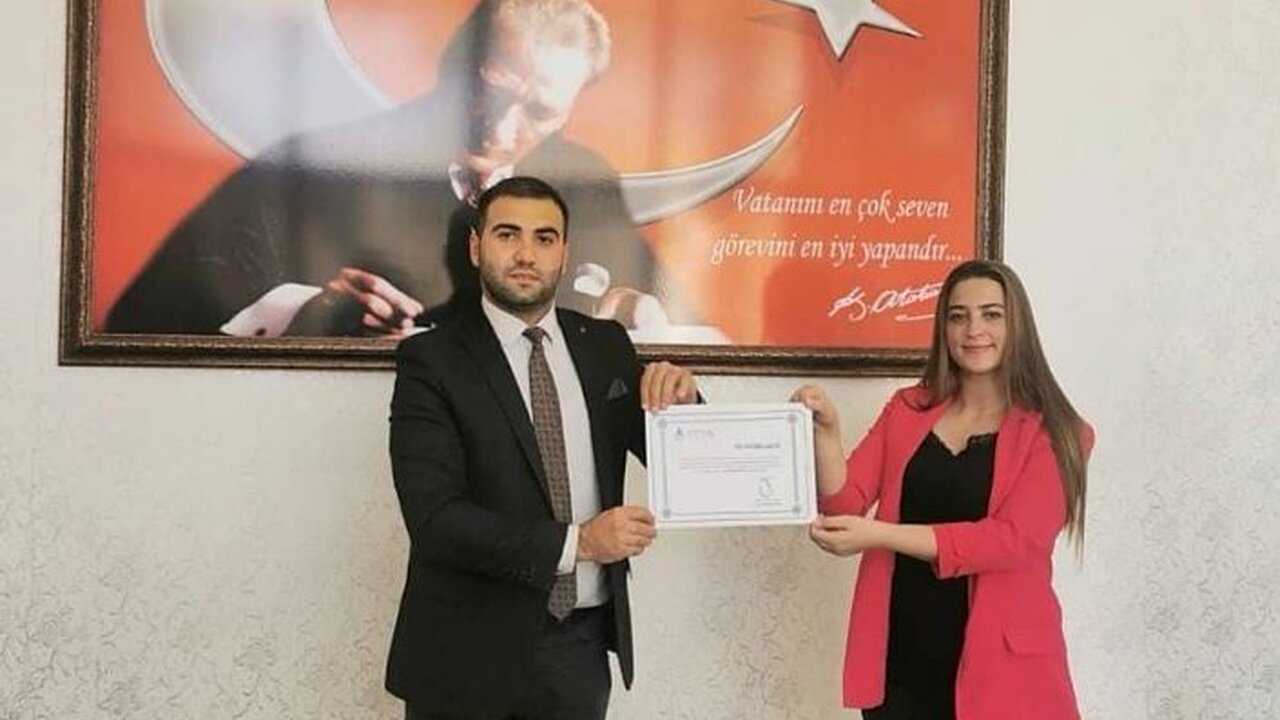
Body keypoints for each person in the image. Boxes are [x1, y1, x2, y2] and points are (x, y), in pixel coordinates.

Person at [106, 0, 657, 338]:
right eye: (491, 91)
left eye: (539, 112)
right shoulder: (317, 168)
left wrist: (638, 311)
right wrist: (311, 312)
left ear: (568, 111)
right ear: (453, 65)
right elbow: (145, 321)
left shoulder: (586, 184)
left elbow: (651, 310)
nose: (502, 126)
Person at [386, 176, 698, 720]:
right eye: (508, 234)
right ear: (476, 247)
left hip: (578, 649)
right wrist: (581, 543)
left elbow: (687, 469)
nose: (527, 254)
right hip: (463, 653)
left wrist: (685, 403)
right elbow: (435, 519)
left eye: (545, 238)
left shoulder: (605, 346)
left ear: (565, 252)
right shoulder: (431, 361)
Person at [792, 260, 1093, 720]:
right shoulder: (908, 409)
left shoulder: (1059, 432)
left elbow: (1011, 541)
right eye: (958, 316)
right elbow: (845, 503)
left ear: (1017, 325)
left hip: (1004, 668)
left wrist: (880, 535)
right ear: (943, 328)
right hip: (902, 658)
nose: (974, 330)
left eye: (991, 314)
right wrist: (826, 433)